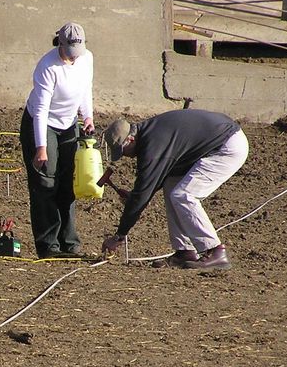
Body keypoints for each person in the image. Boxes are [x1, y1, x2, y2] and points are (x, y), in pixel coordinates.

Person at [100, 109, 250, 270]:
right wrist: (136, 197)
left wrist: (119, 235)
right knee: (171, 184)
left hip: (226, 146)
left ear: (130, 139)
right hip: (211, 142)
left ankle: (215, 251)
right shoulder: (149, 133)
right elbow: (150, 185)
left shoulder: (153, 147)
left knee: (184, 195)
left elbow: (144, 191)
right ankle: (184, 252)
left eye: (123, 151)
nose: (126, 156)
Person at [20, 22, 95, 259]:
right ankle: (48, 245)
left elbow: (85, 89)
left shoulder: (86, 59)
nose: (74, 57)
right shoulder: (47, 67)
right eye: (70, 51)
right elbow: (41, 110)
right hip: (43, 124)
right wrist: (41, 148)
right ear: (60, 44)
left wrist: (88, 116)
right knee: (46, 181)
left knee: (68, 181)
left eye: (78, 51)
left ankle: (69, 242)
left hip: (69, 123)